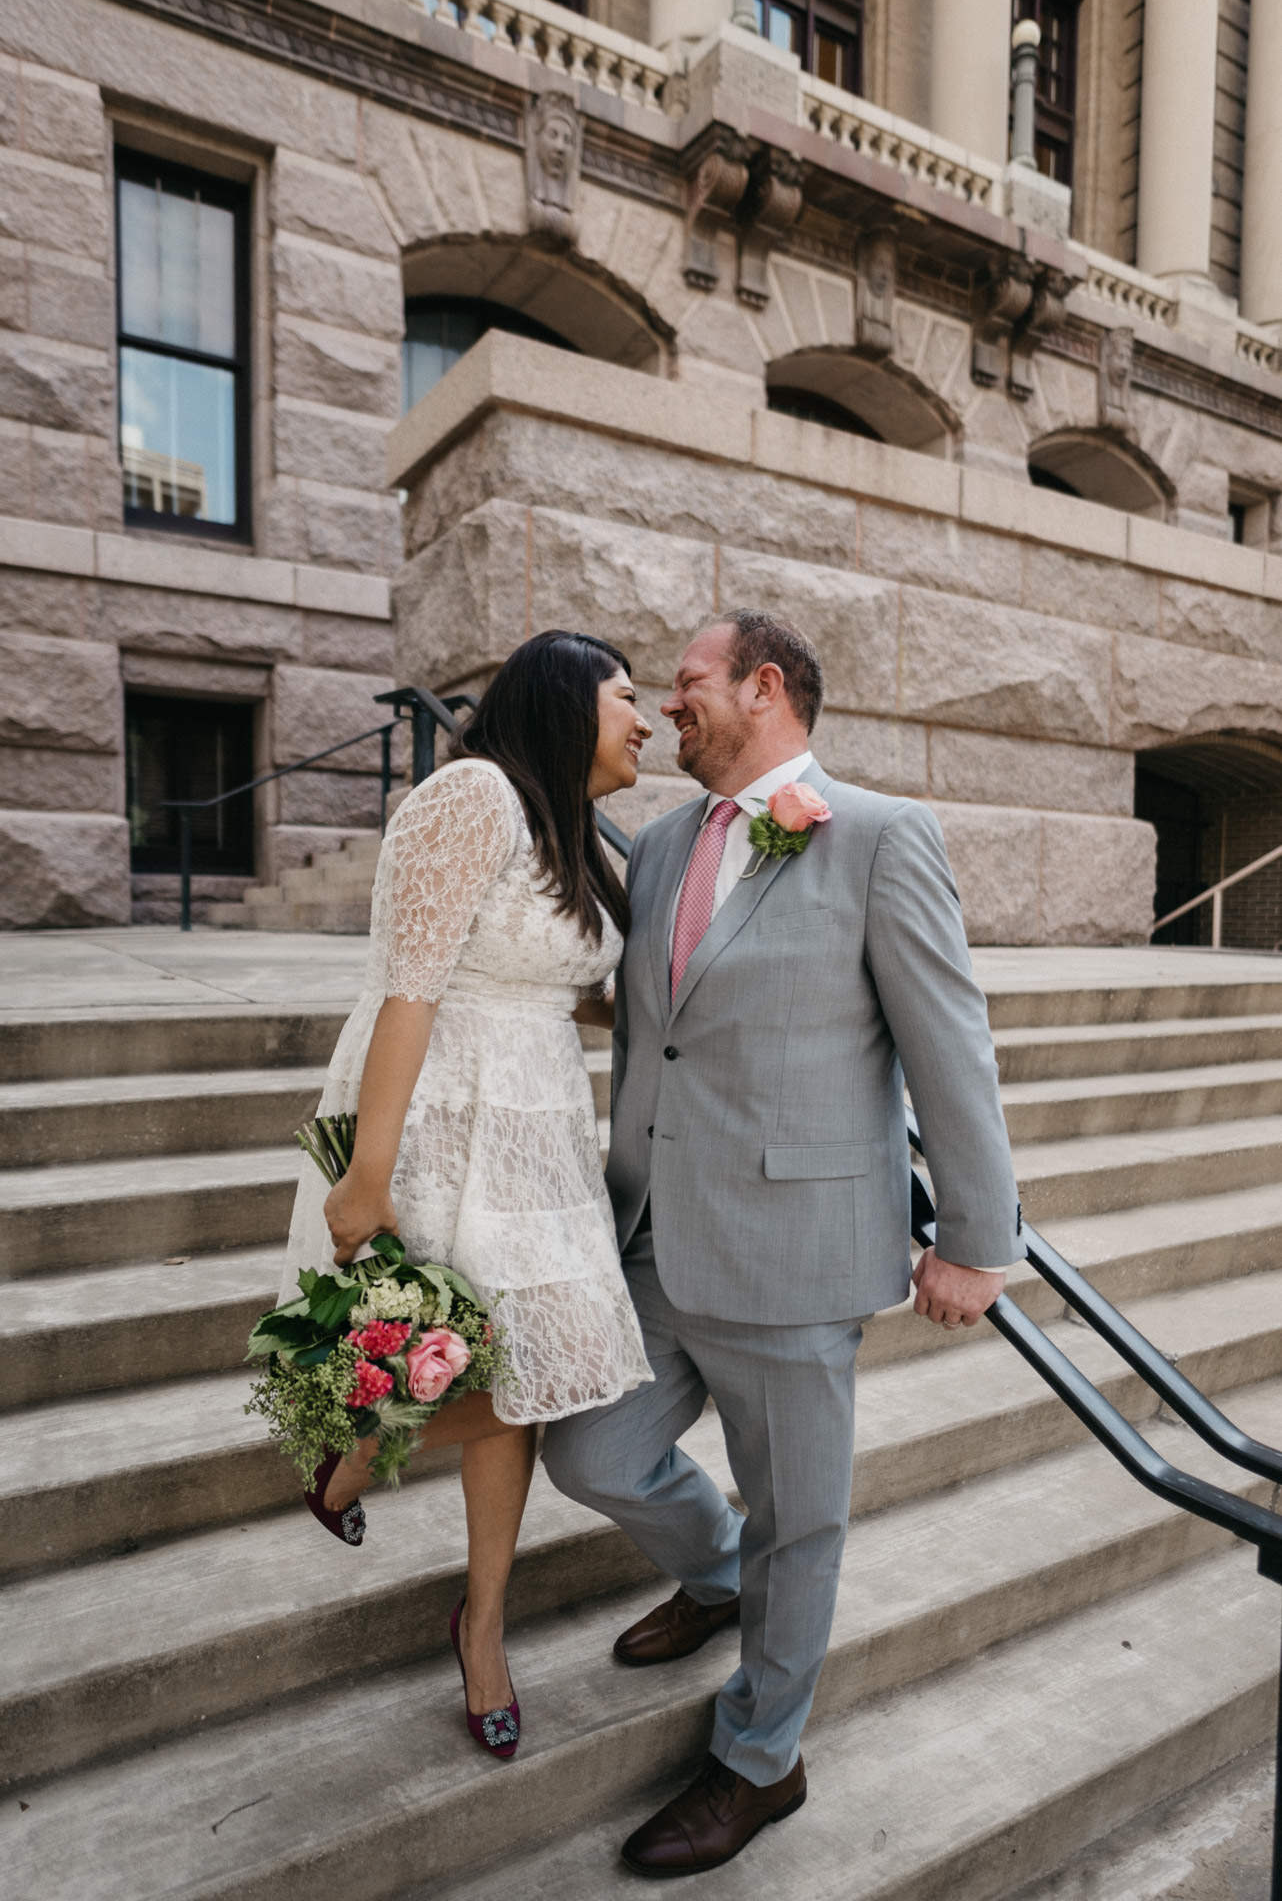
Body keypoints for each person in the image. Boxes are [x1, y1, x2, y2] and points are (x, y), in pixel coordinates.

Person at [542, 609, 1020, 1874]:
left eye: (686, 684)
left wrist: (975, 1237)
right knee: (589, 1456)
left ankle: (761, 1759)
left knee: (799, 1523)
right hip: (651, 1236)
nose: (664, 707)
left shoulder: (875, 836)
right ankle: (714, 1579)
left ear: (763, 688)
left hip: (799, 1248)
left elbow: (949, 1045)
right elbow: (661, 1032)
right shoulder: (651, 850)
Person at [281, 629, 655, 1759]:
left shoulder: (566, 833)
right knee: (467, 1359)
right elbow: (411, 987)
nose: (644, 722)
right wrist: (367, 1174)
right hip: (445, 1119)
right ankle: (348, 1460)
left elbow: (563, 988)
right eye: (628, 698)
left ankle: (481, 1623)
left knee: (525, 1380)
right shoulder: (471, 795)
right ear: (563, 700)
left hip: (539, 1136)